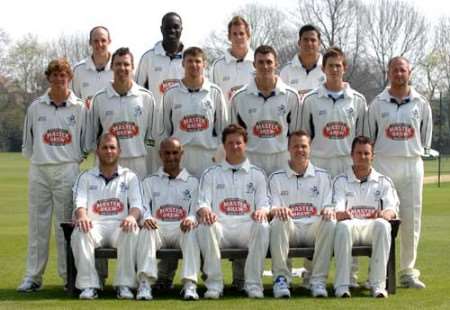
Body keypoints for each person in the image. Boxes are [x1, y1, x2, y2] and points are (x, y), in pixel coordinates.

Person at [18, 58, 87, 292]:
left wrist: (69, 160)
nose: (59, 79)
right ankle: (33, 277)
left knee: (65, 227)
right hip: (40, 169)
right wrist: (42, 159)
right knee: (38, 226)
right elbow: (28, 144)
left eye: (63, 75)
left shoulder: (79, 108)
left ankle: (68, 276)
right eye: (55, 75)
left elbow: (85, 143)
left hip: (67, 169)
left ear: (70, 78)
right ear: (49, 78)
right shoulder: (36, 107)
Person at [301, 47, 367, 287]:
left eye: (339, 65)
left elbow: (363, 138)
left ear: (344, 68)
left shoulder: (358, 100)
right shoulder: (309, 100)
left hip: (347, 165)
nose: (335, 70)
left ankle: (350, 275)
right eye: (331, 66)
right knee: (315, 218)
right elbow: (303, 136)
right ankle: (310, 274)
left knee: (348, 218)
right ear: (323, 68)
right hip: (319, 165)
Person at [366, 56, 432, 289]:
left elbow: (425, 139)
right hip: (383, 162)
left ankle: (407, 271)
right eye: (394, 70)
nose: (398, 74)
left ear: (409, 72)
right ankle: (377, 270)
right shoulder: (377, 104)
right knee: (379, 217)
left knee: (411, 219)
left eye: (402, 70)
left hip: (412, 163)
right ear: (388, 72)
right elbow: (369, 137)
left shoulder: (421, 103)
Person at [196, 124, 270, 299]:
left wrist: (261, 211)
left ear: (245, 144)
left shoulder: (257, 174)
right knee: (206, 225)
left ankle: (252, 284)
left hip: (246, 228)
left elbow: (264, 203)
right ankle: (214, 285)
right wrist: (206, 212)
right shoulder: (210, 174)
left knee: (263, 226)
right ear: (223, 146)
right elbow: (202, 203)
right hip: (221, 228)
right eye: (230, 143)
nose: (234, 147)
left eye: (238, 142)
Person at [71, 133, 142, 300]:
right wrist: (82, 216)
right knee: (80, 231)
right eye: (104, 147)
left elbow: (137, 205)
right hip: (94, 225)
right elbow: (79, 203)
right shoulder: (86, 177)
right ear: (97, 151)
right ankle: (89, 286)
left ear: (119, 151)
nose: (108, 151)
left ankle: (124, 285)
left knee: (132, 230)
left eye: (112, 147)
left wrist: (132, 217)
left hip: (120, 225)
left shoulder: (130, 177)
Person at [269, 130, 335, 298]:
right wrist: (277, 210)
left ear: (310, 148)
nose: (300, 150)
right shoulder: (276, 178)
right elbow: (271, 207)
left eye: (304, 146)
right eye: (296, 146)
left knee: (330, 221)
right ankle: (281, 279)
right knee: (277, 221)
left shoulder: (324, 177)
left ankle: (317, 280)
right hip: (290, 229)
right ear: (289, 149)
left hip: (313, 229)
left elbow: (329, 204)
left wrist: (329, 210)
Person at [333, 136, 398, 298]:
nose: (362, 157)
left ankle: (377, 285)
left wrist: (384, 214)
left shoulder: (384, 181)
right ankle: (342, 285)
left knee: (383, 224)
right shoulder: (340, 180)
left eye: (366, 153)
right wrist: (342, 213)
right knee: (343, 226)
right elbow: (337, 207)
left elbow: (392, 208)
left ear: (372, 156)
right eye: (358, 153)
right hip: (351, 227)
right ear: (351, 155)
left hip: (371, 228)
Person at [136, 137, 200, 300]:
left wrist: (191, 218)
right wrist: (147, 217)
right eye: (167, 153)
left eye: (175, 153)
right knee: (146, 229)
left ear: (181, 153)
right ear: (160, 155)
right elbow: (143, 206)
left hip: (181, 228)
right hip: (158, 228)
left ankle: (190, 284)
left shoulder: (193, 182)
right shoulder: (149, 181)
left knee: (191, 231)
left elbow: (195, 210)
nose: (171, 157)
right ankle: (145, 284)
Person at [230, 45, 302, 175]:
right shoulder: (239, 97)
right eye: (261, 62)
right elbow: (233, 136)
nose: (265, 66)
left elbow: (296, 134)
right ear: (254, 64)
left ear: (276, 64)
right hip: (251, 159)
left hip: (282, 159)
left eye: (269, 62)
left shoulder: (291, 96)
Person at [87, 47, 156, 180]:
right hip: (109, 162)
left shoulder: (146, 97)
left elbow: (151, 137)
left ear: (132, 67)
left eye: (126, 64)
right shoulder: (100, 98)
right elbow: (93, 134)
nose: (122, 68)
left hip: (138, 162)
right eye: (118, 64)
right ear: (111, 67)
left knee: (137, 201)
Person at [161, 46, 228, 177]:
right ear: (183, 63)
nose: (194, 65)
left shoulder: (215, 92)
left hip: (208, 156)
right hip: (180, 157)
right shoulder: (171, 93)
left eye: (198, 61)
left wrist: (219, 157)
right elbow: (164, 130)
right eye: (190, 61)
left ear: (204, 64)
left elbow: (223, 129)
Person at [135, 12, 185, 175]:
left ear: (181, 30)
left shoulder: (190, 58)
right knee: (155, 170)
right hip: (155, 124)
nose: (172, 30)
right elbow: (137, 93)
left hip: (183, 122)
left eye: (175, 27)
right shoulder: (148, 58)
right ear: (161, 29)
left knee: (180, 170)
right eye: (168, 27)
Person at [211, 16, 254, 103]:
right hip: (227, 116)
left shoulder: (259, 63)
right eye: (234, 34)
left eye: (241, 33)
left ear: (248, 35)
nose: (238, 37)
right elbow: (214, 99)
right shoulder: (218, 65)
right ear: (229, 37)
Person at [71, 26, 113, 107]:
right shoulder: (78, 70)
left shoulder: (119, 68)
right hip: (87, 119)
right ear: (90, 42)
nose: (99, 44)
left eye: (103, 40)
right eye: (96, 41)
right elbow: (73, 102)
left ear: (109, 41)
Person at [280, 24, 325, 97]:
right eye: (305, 39)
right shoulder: (286, 71)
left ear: (319, 43)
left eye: (313, 40)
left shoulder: (329, 70)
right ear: (299, 42)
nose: (309, 43)